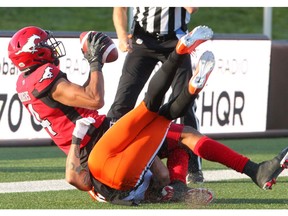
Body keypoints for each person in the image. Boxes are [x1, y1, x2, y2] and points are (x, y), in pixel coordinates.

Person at [8, 26, 288, 206]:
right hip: (96, 150)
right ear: (35, 52)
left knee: (178, 128)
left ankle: (251, 171)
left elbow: (81, 102)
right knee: (159, 114)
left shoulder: (26, 82)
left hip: (102, 137)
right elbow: (94, 98)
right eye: (45, 43)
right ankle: (174, 186)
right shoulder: (44, 77)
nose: (52, 46)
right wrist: (95, 62)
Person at [108, 7, 205, 184]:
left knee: (184, 103)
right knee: (123, 101)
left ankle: (194, 166)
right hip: (142, 39)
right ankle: (105, 155)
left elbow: (192, 7)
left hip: (177, 41)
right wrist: (122, 36)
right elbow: (120, 8)